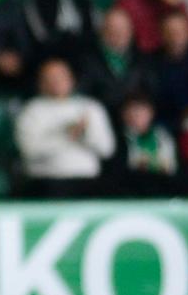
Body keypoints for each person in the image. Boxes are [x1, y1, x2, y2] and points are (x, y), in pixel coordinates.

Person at [14, 59, 115, 198]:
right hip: (47, 182)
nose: (56, 82)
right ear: (41, 83)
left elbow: (107, 150)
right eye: (50, 78)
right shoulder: (32, 110)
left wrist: (84, 133)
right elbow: (29, 151)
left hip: (88, 182)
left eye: (60, 76)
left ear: (71, 79)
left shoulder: (91, 107)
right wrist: (67, 135)